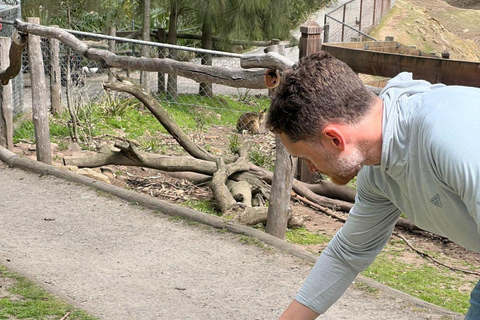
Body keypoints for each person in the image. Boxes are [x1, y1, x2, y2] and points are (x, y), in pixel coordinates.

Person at [266, 51, 480, 319]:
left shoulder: (448, 137)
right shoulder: (379, 170)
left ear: (335, 139)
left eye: (307, 157)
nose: (311, 168)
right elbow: (348, 254)